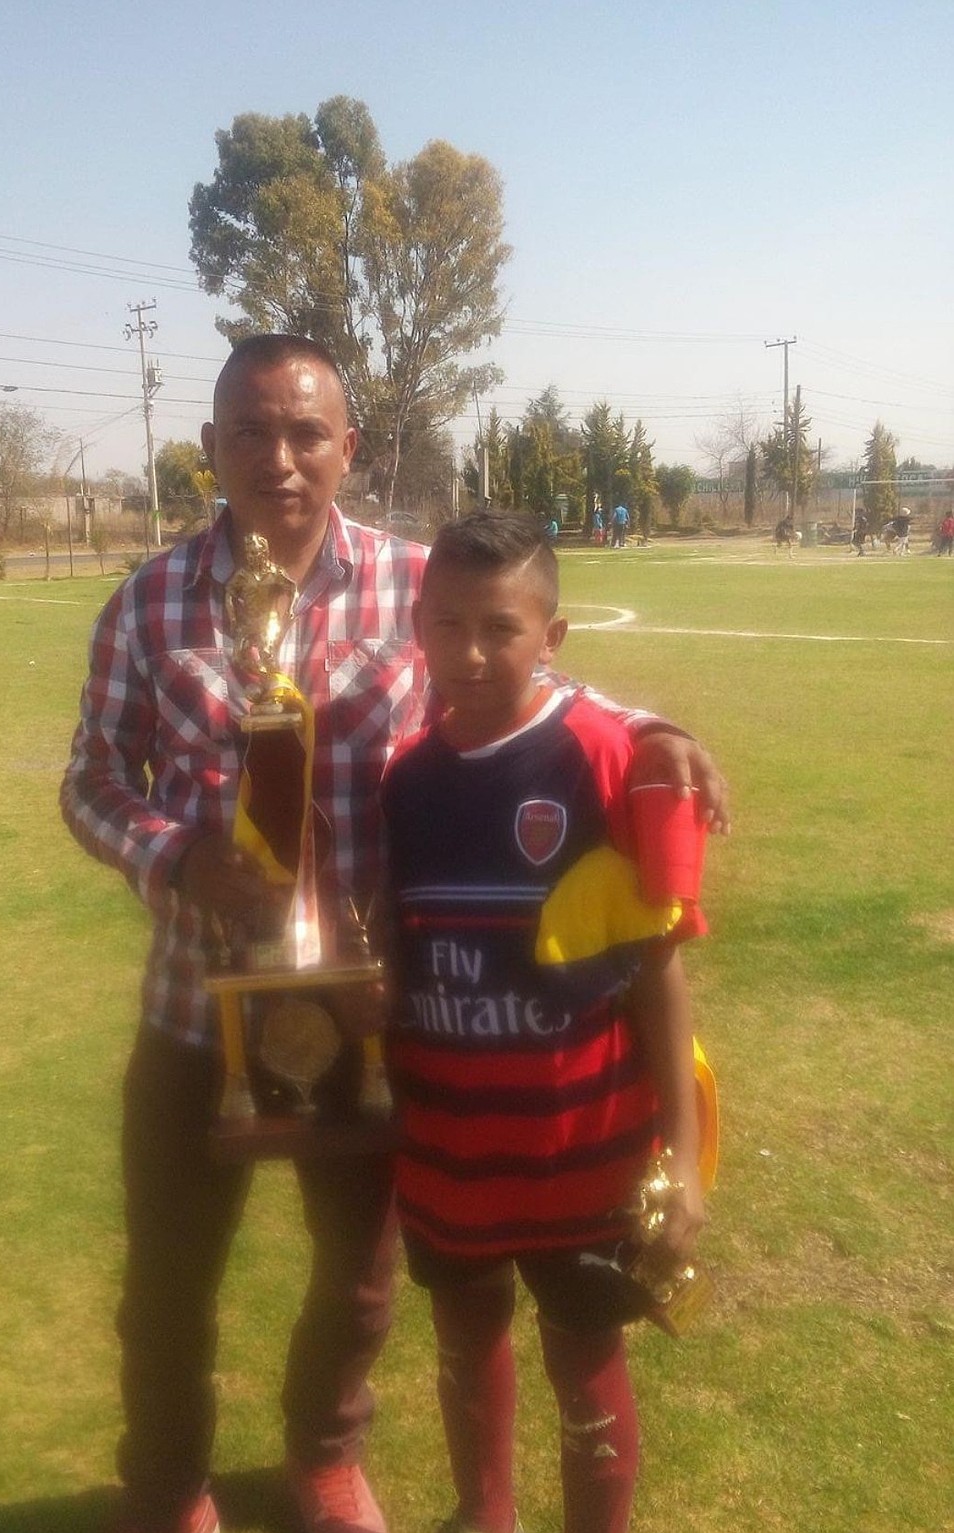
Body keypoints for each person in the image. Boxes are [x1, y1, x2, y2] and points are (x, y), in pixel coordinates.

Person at [60, 335, 729, 1533]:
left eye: (308, 433)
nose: (280, 458)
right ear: (209, 446)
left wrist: (658, 726)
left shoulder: (413, 587)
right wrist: (175, 855)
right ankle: (168, 1486)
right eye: (251, 433)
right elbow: (93, 780)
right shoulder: (149, 601)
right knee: (170, 1281)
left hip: (370, 1013)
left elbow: (524, 677)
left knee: (360, 1282)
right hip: (194, 1007)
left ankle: (325, 1455)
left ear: (348, 449)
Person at [378, 512, 710, 1533]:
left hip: (588, 1156)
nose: (469, 655)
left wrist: (685, 1159)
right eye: (445, 626)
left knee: (585, 1356)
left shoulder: (611, 760)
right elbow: (399, 952)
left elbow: (657, 975)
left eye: (500, 629)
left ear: (552, 637)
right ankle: (486, 1516)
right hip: (449, 1151)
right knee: (465, 1338)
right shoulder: (404, 780)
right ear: (417, 628)